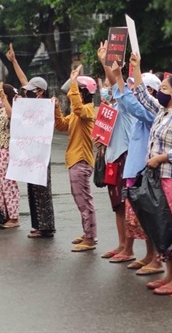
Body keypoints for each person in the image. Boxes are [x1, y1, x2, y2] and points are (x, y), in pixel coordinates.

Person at [131, 52, 172, 296]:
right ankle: (168, 275)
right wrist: (135, 68)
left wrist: (160, 158)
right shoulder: (163, 112)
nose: (159, 92)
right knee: (162, 229)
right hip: (159, 180)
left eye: (164, 88)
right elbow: (141, 95)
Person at [111, 63, 164, 275]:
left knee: (150, 217)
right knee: (140, 218)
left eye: (137, 87)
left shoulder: (153, 113)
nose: (132, 91)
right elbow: (126, 103)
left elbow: (133, 105)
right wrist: (117, 76)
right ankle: (149, 256)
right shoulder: (140, 114)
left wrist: (119, 77)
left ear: (149, 91)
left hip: (146, 170)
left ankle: (156, 259)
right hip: (135, 171)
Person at [6, 44, 55, 238]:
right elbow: (24, 80)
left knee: (42, 189)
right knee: (32, 189)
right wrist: (14, 61)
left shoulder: (46, 105)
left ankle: (46, 226)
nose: (27, 92)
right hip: (29, 153)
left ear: (41, 91)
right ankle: (38, 225)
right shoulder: (29, 103)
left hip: (41, 154)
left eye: (31, 90)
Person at [97, 42, 134, 260]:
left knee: (127, 204)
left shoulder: (126, 105)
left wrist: (105, 62)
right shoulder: (110, 108)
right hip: (112, 158)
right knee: (117, 205)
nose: (109, 92)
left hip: (124, 157)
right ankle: (121, 245)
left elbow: (115, 84)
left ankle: (128, 249)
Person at [54, 65, 97, 252]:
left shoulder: (88, 110)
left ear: (84, 93)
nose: (72, 96)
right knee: (81, 200)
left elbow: (78, 108)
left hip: (81, 160)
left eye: (77, 91)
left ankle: (90, 237)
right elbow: (62, 126)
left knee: (84, 201)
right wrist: (56, 109)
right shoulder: (78, 112)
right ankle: (87, 233)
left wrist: (73, 83)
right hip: (75, 160)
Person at [0, 84, 21, 228]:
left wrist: (5, 98)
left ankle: (14, 217)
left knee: (8, 183)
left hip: (8, 149)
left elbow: (11, 115)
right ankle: (1, 213)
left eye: (1, 92)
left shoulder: (15, 108)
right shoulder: (0, 111)